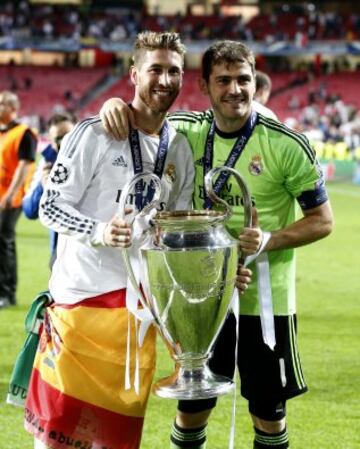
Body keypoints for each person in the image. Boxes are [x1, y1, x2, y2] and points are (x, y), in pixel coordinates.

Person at [99, 40, 333, 449]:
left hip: (266, 301)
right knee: (192, 404)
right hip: (200, 296)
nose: (235, 89)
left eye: (243, 79)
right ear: (204, 86)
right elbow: (144, 119)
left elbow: (323, 221)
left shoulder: (285, 144)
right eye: (222, 80)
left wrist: (269, 240)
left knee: (268, 413)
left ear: (254, 83)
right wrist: (113, 105)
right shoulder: (187, 130)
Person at [24, 33, 252, 449]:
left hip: (139, 315)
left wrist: (218, 276)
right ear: (134, 74)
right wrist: (99, 231)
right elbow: (50, 207)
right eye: (156, 69)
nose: (165, 79)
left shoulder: (179, 148)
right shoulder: (93, 133)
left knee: (116, 440)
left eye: (174, 72)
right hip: (81, 306)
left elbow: (175, 238)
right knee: (59, 438)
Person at [22, 112, 76, 267]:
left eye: (69, 135)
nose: (65, 142)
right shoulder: (48, 164)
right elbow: (30, 211)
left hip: (93, 249)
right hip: (60, 252)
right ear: (51, 142)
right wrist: (45, 187)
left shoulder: (95, 159)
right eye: (58, 139)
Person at [0, 91, 37, 308]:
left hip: (11, 198)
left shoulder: (24, 133)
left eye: (3, 104)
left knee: (4, 242)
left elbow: (24, 166)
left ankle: (7, 293)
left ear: (14, 108)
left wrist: (11, 194)